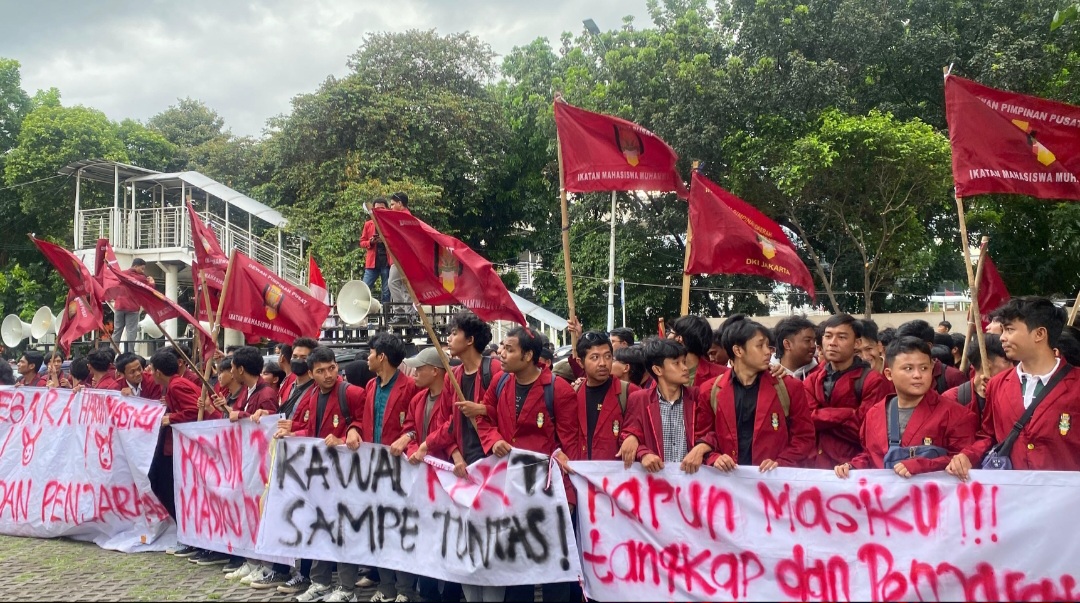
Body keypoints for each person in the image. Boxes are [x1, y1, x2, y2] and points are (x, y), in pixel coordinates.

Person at [475, 326, 578, 603]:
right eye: (502, 348)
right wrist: (493, 439)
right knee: (516, 561)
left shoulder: (558, 390)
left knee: (554, 563)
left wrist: (568, 495)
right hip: (510, 488)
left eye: (509, 349)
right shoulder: (500, 382)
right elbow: (485, 417)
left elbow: (570, 446)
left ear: (528, 355)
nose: (502, 354)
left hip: (547, 491)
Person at [419, 311, 501, 603]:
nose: (449, 338)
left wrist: (483, 410)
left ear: (470, 339)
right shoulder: (453, 375)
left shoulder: (496, 373)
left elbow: (508, 419)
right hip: (463, 473)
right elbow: (446, 423)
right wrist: (453, 455)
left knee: (489, 545)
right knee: (465, 542)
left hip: (493, 472)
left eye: (454, 333)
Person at [948, 297, 1080, 478]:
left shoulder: (1076, 383)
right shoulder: (997, 384)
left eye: (1009, 330)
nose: (1002, 337)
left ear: (1039, 334)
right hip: (1013, 496)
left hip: (1065, 499)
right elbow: (988, 435)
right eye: (1002, 330)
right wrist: (968, 455)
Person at [279, 346, 366, 603]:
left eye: (332, 368)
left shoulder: (352, 392)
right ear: (312, 373)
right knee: (320, 527)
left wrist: (350, 432)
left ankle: (347, 587)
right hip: (320, 477)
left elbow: (363, 423)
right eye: (321, 371)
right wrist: (292, 434)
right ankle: (320, 582)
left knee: (344, 529)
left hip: (347, 476)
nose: (328, 374)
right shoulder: (312, 395)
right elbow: (309, 428)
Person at [837, 336, 977, 479]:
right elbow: (871, 456)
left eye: (924, 368)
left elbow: (964, 462)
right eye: (908, 368)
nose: (917, 375)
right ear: (889, 374)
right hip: (887, 498)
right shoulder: (874, 414)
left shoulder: (956, 414)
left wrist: (923, 465)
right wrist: (852, 466)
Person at [696, 317, 815, 472]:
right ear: (738, 350)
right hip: (728, 482)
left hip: (772, 483)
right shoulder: (710, 390)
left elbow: (804, 437)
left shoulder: (789, 387)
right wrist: (715, 458)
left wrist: (782, 462)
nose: (768, 352)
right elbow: (702, 436)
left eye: (768, 345)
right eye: (760, 346)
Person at [397, 347, 466, 603]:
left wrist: (427, 448)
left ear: (435, 371)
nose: (414, 373)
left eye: (420, 368)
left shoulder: (451, 400)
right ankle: (426, 591)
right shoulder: (417, 399)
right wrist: (414, 447)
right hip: (424, 480)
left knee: (450, 535)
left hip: (448, 480)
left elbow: (450, 431)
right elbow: (411, 429)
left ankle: (450, 593)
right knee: (425, 534)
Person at [362, 332, 418, 603]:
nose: (367, 358)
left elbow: (417, 425)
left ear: (381, 356)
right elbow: (362, 423)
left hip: (400, 471)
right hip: (373, 470)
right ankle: (386, 588)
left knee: (401, 529)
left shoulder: (410, 387)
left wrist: (407, 437)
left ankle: (405, 591)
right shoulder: (371, 386)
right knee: (379, 530)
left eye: (370, 353)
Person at [148, 348, 216, 553]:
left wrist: (170, 418)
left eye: (152, 370)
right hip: (174, 447)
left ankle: (189, 535)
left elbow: (195, 411)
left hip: (180, 448)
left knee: (168, 488)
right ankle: (186, 533)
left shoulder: (177, 386)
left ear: (158, 372)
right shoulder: (174, 385)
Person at [803, 313, 889, 469]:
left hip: (852, 466)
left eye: (841, 337)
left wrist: (822, 417)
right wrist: (848, 413)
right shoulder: (812, 379)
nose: (832, 343)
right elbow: (805, 421)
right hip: (814, 465)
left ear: (856, 343)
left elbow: (864, 430)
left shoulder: (872, 381)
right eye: (828, 336)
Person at [624, 337, 710, 474]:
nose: (684, 368)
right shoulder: (639, 399)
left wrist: (701, 448)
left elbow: (711, 433)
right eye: (676, 363)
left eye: (684, 362)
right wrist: (643, 453)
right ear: (658, 370)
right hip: (655, 482)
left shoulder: (697, 396)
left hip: (692, 480)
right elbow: (629, 433)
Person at [568, 331, 640, 465]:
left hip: (619, 478)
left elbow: (645, 430)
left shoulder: (630, 393)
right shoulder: (574, 394)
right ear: (580, 362)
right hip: (582, 477)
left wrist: (634, 436)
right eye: (594, 357)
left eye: (608, 356)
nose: (603, 363)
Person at [940, 333, 1010, 424]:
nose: (1013, 367)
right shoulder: (951, 399)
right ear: (987, 363)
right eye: (1007, 361)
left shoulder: (1015, 395)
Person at [897, 320, 967, 392]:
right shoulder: (895, 374)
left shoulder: (953, 377)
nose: (902, 351)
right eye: (900, 346)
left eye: (909, 346)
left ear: (928, 346)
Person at [668, 315, 725, 387]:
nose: (667, 337)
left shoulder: (723, 376)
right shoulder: (664, 375)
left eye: (671, 333)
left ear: (679, 339)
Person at [222, 346, 277, 422]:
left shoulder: (266, 395)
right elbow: (238, 412)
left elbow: (271, 424)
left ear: (241, 369)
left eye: (232, 367)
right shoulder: (246, 389)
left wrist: (240, 415)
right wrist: (225, 407)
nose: (231, 371)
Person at [111, 258, 155, 352]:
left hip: (119, 305)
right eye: (142, 268)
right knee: (131, 331)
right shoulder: (141, 278)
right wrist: (152, 283)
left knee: (117, 330)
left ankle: (111, 352)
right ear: (135, 266)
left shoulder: (121, 274)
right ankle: (130, 353)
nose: (143, 271)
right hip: (133, 307)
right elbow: (148, 290)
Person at [386, 192, 414, 323]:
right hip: (405, 257)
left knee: (392, 282)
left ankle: (400, 313)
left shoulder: (402, 219)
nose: (390, 207)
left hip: (401, 257)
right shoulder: (406, 218)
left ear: (400, 204)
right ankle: (410, 314)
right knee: (405, 286)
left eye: (392, 204)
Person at [360, 197, 393, 306]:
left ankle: (386, 317)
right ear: (373, 210)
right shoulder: (368, 224)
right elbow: (362, 242)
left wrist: (385, 240)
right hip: (372, 263)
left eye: (382, 208)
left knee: (386, 291)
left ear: (387, 209)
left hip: (386, 262)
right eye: (377, 209)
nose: (379, 211)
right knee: (364, 288)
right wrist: (371, 242)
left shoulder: (390, 223)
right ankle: (360, 312)